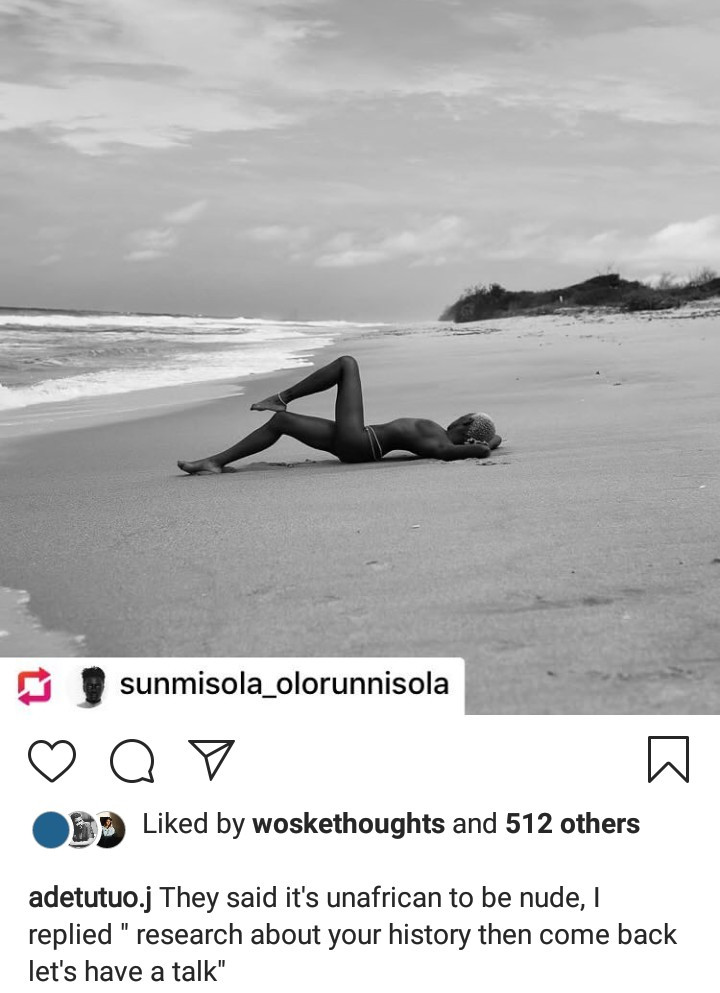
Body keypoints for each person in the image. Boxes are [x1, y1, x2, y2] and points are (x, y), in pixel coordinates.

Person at [178, 355, 501, 474]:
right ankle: (214, 462)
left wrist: (481, 447)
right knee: (281, 422)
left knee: (347, 364)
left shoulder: (440, 441)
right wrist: (488, 442)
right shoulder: (443, 438)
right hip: (356, 442)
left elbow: (460, 452)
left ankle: (282, 397)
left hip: (358, 441)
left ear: (466, 422)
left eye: (464, 415)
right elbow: (491, 441)